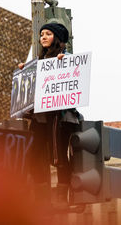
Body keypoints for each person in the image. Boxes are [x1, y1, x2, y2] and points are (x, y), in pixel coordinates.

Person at [19, 22, 82, 210]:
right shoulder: (39, 61)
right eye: (41, 34)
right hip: (41, 117)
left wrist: (66, 63)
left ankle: (62, 196)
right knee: (33, 156)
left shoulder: (67, 57)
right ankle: (41, 198)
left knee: (59, 156)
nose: (43, 37)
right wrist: (25, 72)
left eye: (48, 34)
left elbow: (75, 77)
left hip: (60, 119)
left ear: (57, 38)